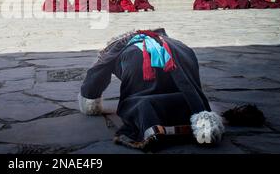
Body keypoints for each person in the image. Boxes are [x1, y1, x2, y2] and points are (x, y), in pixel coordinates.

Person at [78, 28, 224, 151]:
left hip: (143, 95)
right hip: (184, 91)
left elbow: (96, 76)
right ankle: (200, 118)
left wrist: (91, 102)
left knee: (138, 101)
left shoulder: (113, 49)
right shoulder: (179, 45)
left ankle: (153, 125)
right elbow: (192, 82)